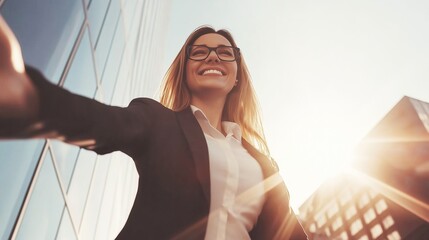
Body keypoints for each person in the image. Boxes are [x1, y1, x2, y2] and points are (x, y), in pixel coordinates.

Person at [0, 16, 307, 240]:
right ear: (184, 71)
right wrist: (29, 98)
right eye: (199, 52)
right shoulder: (157, 120)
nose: (213, 55)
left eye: (225, 52)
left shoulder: (264, 167)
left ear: (237, 75)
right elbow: (101, 121)